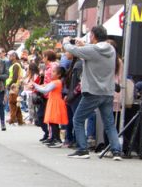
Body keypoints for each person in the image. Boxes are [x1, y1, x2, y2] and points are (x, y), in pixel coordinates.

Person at [63, 26, 123, 159]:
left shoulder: (93, 50)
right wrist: (84, 44)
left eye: (90, 35)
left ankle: (82, 149)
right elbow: (94, 50)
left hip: (92, 92)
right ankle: (116, 151)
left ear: (93, 36)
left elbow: (73, 50)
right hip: (107, 92)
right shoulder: (111, 50)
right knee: (109, 123)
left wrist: (66, 41)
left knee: (78, 119)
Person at [34, 65, 69, 147]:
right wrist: (36, 85)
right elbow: (45, 88)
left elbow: (45, 90)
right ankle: (54, 138)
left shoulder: (56, 82)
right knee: (52, 121)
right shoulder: (56, 82)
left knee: (54, 121)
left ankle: (57, 139)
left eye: (53, 72)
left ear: (59, 74)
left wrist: (35, 85)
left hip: (55, 102)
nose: (51, 73)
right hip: (53, 101)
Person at [5, 51, 24, 125]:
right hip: (14, 86)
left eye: (10, 56)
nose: (9, 57)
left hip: (14, 87)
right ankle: (18, 119)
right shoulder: (16, 64)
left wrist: (9, 85)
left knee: (13, 104)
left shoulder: (16, 65)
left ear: (14, 56)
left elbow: (15, 77)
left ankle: (13, 118)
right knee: (16, 104)